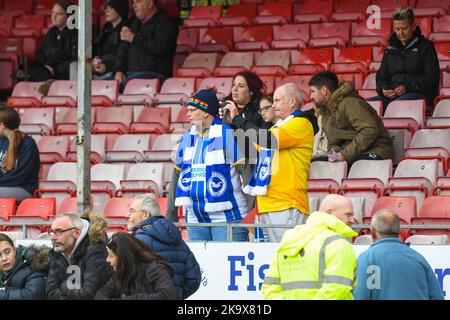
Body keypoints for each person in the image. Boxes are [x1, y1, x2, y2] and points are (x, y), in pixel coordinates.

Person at [171, 89, 250, 241]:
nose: (188, 114)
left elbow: (246, 172)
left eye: (193, 110)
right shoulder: (187, 138)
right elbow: (176, 177)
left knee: (225, 264)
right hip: (195, 217)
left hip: (228, 217)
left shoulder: (227, 135)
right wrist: (171, 216)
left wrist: (252, 212)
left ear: (206, 112)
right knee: (202, 265)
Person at [248, 83, 315, 243]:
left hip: (287, 204)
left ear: (291, 102)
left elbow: (267, 140)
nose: (273, 105)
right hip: (267, 204)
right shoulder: (276, 128)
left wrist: (240, 120)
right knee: (271, 261)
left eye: (277, 100)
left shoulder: (301, 124)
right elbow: (251, 143)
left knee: (288, 259)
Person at [261, 194, 358, 300]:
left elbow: (270, 288)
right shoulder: (338, 243)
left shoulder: (288, 241)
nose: (353, 220)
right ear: (329, 212)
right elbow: (337, 288)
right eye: (348, 215)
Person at [354, 209, 444, 300]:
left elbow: (359, 296)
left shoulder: (366, 259)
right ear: (400, 231)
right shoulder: (418, 259)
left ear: (372, 231)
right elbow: (437, 296)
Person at [309, 71, 394, 166]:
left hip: (375, 150)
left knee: (356, 168)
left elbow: (370, 130)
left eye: (312, 91)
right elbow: (333, 143)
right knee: (314, 165)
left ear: (324, 90)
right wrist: (334, 156)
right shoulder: (325, 113)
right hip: (351, 155)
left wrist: (345, 154)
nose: (310, 96)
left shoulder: (350, 103)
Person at [127, 194, 201, 300]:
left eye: (132, 211)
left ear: (145, 215)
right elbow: (193, 279)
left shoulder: (136, 241)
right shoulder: (180, 242)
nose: (128, 215)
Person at [369, 7, 440, 111]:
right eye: (397, 29)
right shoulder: (390, 48)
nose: (400, 33)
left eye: (404, 28)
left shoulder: (426, 46)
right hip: (392, 98)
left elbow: (432, 77)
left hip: (419, 95)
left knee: (397, 104)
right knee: (366, 105)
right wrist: (383, 88)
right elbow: (381, 76)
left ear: (413, 26)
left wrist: (408, 88)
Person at [113, 0, 178, 91]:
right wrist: (118, 70)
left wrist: (134, 38)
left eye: (138, 2)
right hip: (130, 74)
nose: (134, 6)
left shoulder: (165, 23)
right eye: (133, 2)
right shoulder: (132, 23)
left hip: (155, 74)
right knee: (102, 85)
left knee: (127, 85)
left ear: (150, 4)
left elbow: (160, 48)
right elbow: (122, 50)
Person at [46, 212, 113, 300]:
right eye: (51, 232)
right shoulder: (58, 251)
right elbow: (51, 292)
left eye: (59, 232)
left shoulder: (96, 251)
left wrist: (63, 286)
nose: (53, 237)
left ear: (76, 233)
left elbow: (89, 294)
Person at [95, 232, 177, 300]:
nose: (107, 260)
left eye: (111, 256)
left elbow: (168, 296)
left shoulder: (155, 268)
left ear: (124, 257)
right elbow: (101, 294)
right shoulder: (122, 272)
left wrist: (133, 298)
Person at [70, 0, 129, 80]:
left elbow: (123, 55)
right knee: (74, 65)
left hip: (112, 71)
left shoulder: (127, 28)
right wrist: (95, 60)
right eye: (106, 8)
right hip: (100, 66)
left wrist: (107, 66)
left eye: (110, 8)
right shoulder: (105, 28)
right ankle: (79, 91)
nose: (106, 11)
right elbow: (98, 50)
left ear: (120, 10)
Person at [29, 0, 77, 82]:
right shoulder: (51, 32)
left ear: (68, 16)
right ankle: (48, 83)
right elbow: (41, 54)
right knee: (28, 68)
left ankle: (50, 84)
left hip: (64, 73)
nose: (53, 17)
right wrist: (46, 66)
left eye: (58, 14)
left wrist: (56, 70)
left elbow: (76, 59)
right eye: (53, 13)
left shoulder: (75, 33)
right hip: (47, 71)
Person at [0, 107, 40, 201]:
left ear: (1, 125)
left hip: (23, 188)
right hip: (3, 186)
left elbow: (20, 177)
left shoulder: (28, 144)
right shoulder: (2, 141)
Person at [0, 233, 50, 300]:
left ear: (14, 250)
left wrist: (2, 293)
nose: (4, 258)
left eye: (7, 252)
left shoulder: (34, 263)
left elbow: (33, 295)